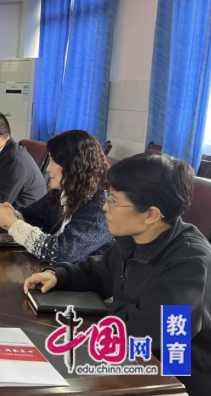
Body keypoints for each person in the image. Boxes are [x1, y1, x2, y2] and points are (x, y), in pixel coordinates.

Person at [24, 153, 211, 395]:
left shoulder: (189, 259)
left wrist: (112, 308)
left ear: (151, 214)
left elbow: (156, 330)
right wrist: (60, 275)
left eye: (113, 201)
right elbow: (99, 272)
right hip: (128, 353)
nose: (105, 207)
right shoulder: (134, 237)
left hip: (177, 375)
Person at [0, 130, 113, 263]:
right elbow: (31, 216)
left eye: (53, 161)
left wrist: (12, 222)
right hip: (52, 273)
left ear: (74, 165)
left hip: (82, 279)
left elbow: (59, 252)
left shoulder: (102, 208)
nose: (48, 168)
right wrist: (11, 215)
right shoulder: (64, 192)